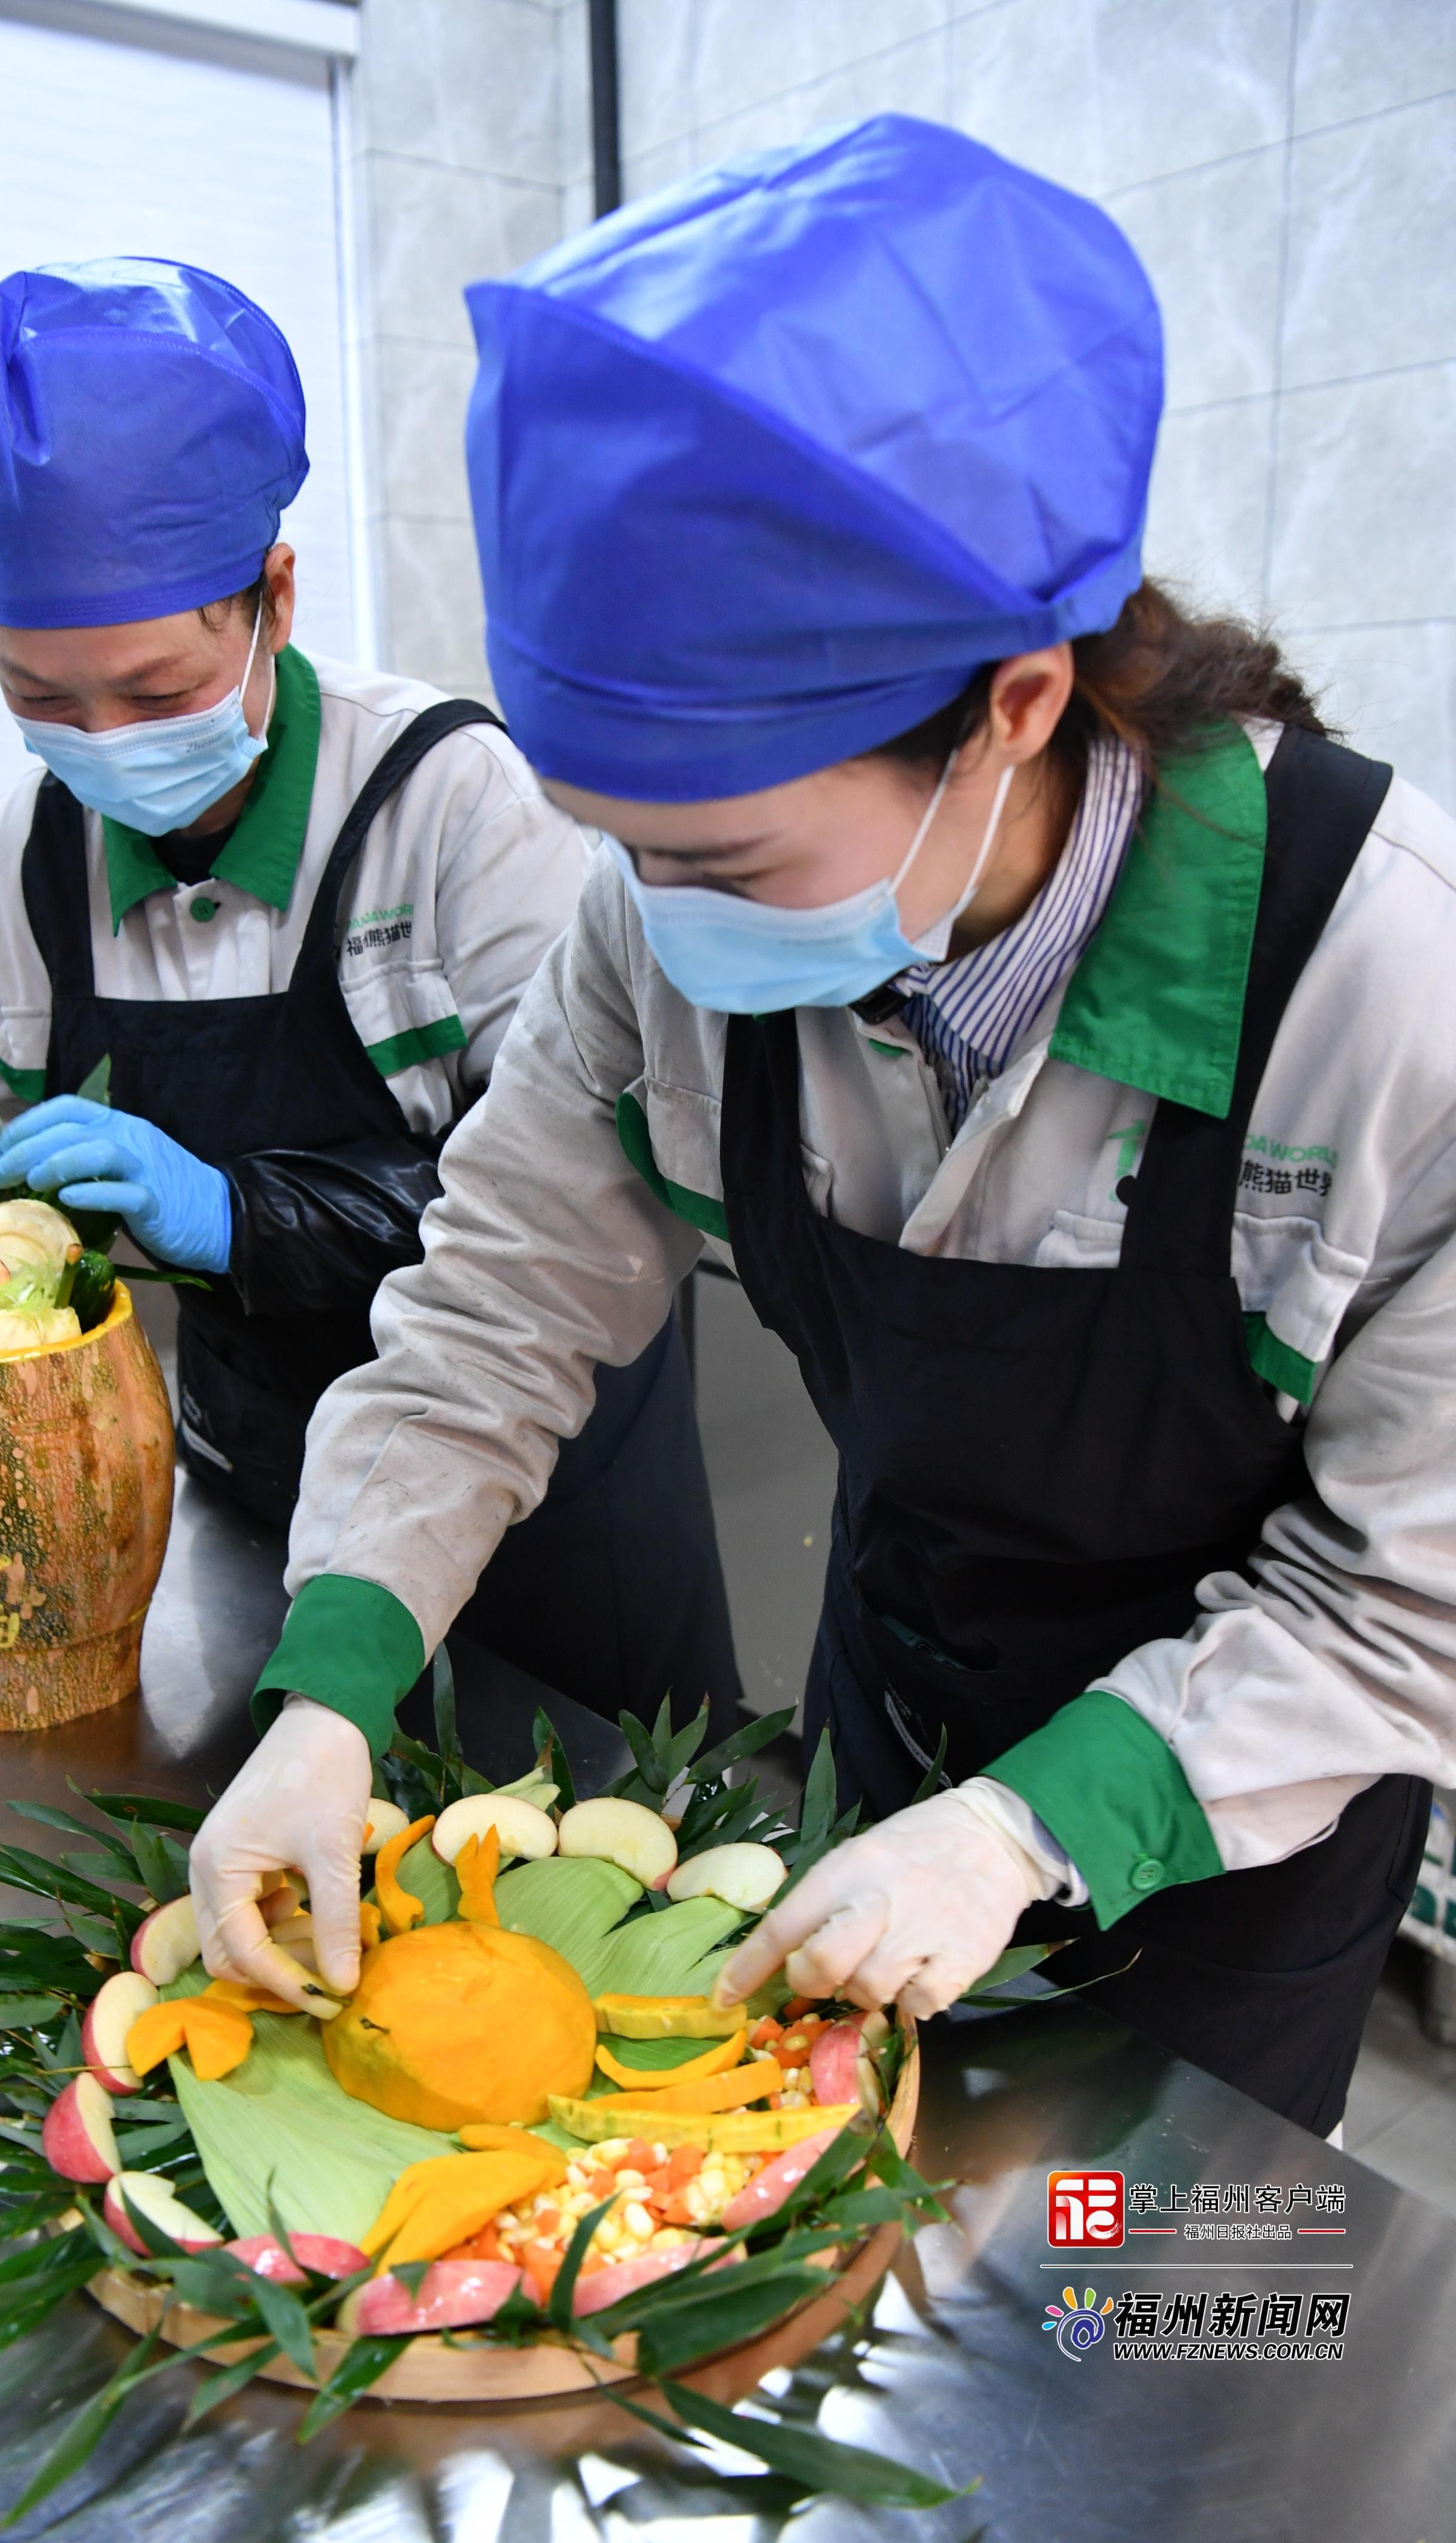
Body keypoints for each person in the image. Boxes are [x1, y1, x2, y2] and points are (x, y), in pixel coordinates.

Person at [188, 116, 1456, 2141]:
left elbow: (1409, 1593)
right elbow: (498, 1307)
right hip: (893, 1715)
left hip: (1236, 1820)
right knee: (873, 2310)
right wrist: (329, 1684)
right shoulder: (665, 926)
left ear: (1015, 705)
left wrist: (1023, 1831)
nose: (652, 914)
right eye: (614, 846)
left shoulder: (1388, 989)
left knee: (1176, 2326)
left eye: (722, 855)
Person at [0, 256, 739, 1731]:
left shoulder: (455, 807)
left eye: (153, 694)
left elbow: (576, 1197)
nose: (99, 742)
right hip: (258, 1504)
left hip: (549, 1510)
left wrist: (235, 1212)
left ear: (273, 598)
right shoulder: (7, 877)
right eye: (40, 697)